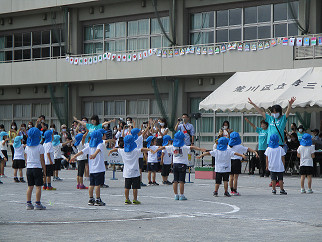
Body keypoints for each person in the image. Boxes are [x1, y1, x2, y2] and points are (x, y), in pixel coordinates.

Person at [156, 131, 207, 200]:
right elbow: (192, 147)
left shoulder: (172, 147)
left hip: (175, 165)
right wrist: (200, 149)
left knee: (175, 180)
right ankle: (181, 195)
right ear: (183, 139)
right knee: (181, 181)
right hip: (182, 164)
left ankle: (176, 195)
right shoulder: (184, 147)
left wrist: (157, 149)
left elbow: (164, 147)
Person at [108, 135, 152, 204]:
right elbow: (142, 149)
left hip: (127, 173)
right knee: (135, 187)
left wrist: (111, 150)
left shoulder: (123, 151)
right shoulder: (135, 151)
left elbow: (117, 149)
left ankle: (127, 199)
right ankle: (135, 199)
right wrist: (149, 149)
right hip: (135, 172)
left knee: (127, 187)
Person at [70, 130, 106, 206]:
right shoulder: (100, 144)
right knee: (97, 185)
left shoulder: (89, 145)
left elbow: (82, 151)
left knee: (91, 184)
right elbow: (98, 149)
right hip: (99, 168)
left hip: (92, 169)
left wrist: (75, 156)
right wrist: (94, 155)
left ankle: (91, 199)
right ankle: (98, 199)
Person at [25, 127, 46, 210]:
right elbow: (42, 160)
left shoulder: (27, 147)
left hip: (29, 168)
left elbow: (26, 158)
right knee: (38, 187)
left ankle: (28, 203)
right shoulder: (40, 147)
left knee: (30, 187)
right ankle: (37, 203)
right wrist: (44, 170)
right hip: (37, 168)